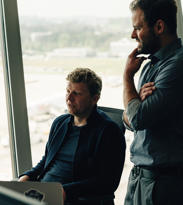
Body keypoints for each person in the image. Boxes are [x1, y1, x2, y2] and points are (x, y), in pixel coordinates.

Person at [19, 68, 126, 205]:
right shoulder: (60, 123)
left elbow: (108, 181)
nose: (69, 98)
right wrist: (28, 176)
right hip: (44, 194)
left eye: (77, 93)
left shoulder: (108, 131)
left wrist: (66, 191)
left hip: (74, 199)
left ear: (94, 99)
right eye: (68, 91)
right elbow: (48, 159)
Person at [123, 0, 183, 204]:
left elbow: (138, 119)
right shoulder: (150, 65)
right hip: (139, 179)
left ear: (159, 26)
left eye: (138, 28)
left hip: (163, 184)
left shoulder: (177, 66)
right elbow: (130, 118)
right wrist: (135, 105)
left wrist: (127, 78)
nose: (133, 35)